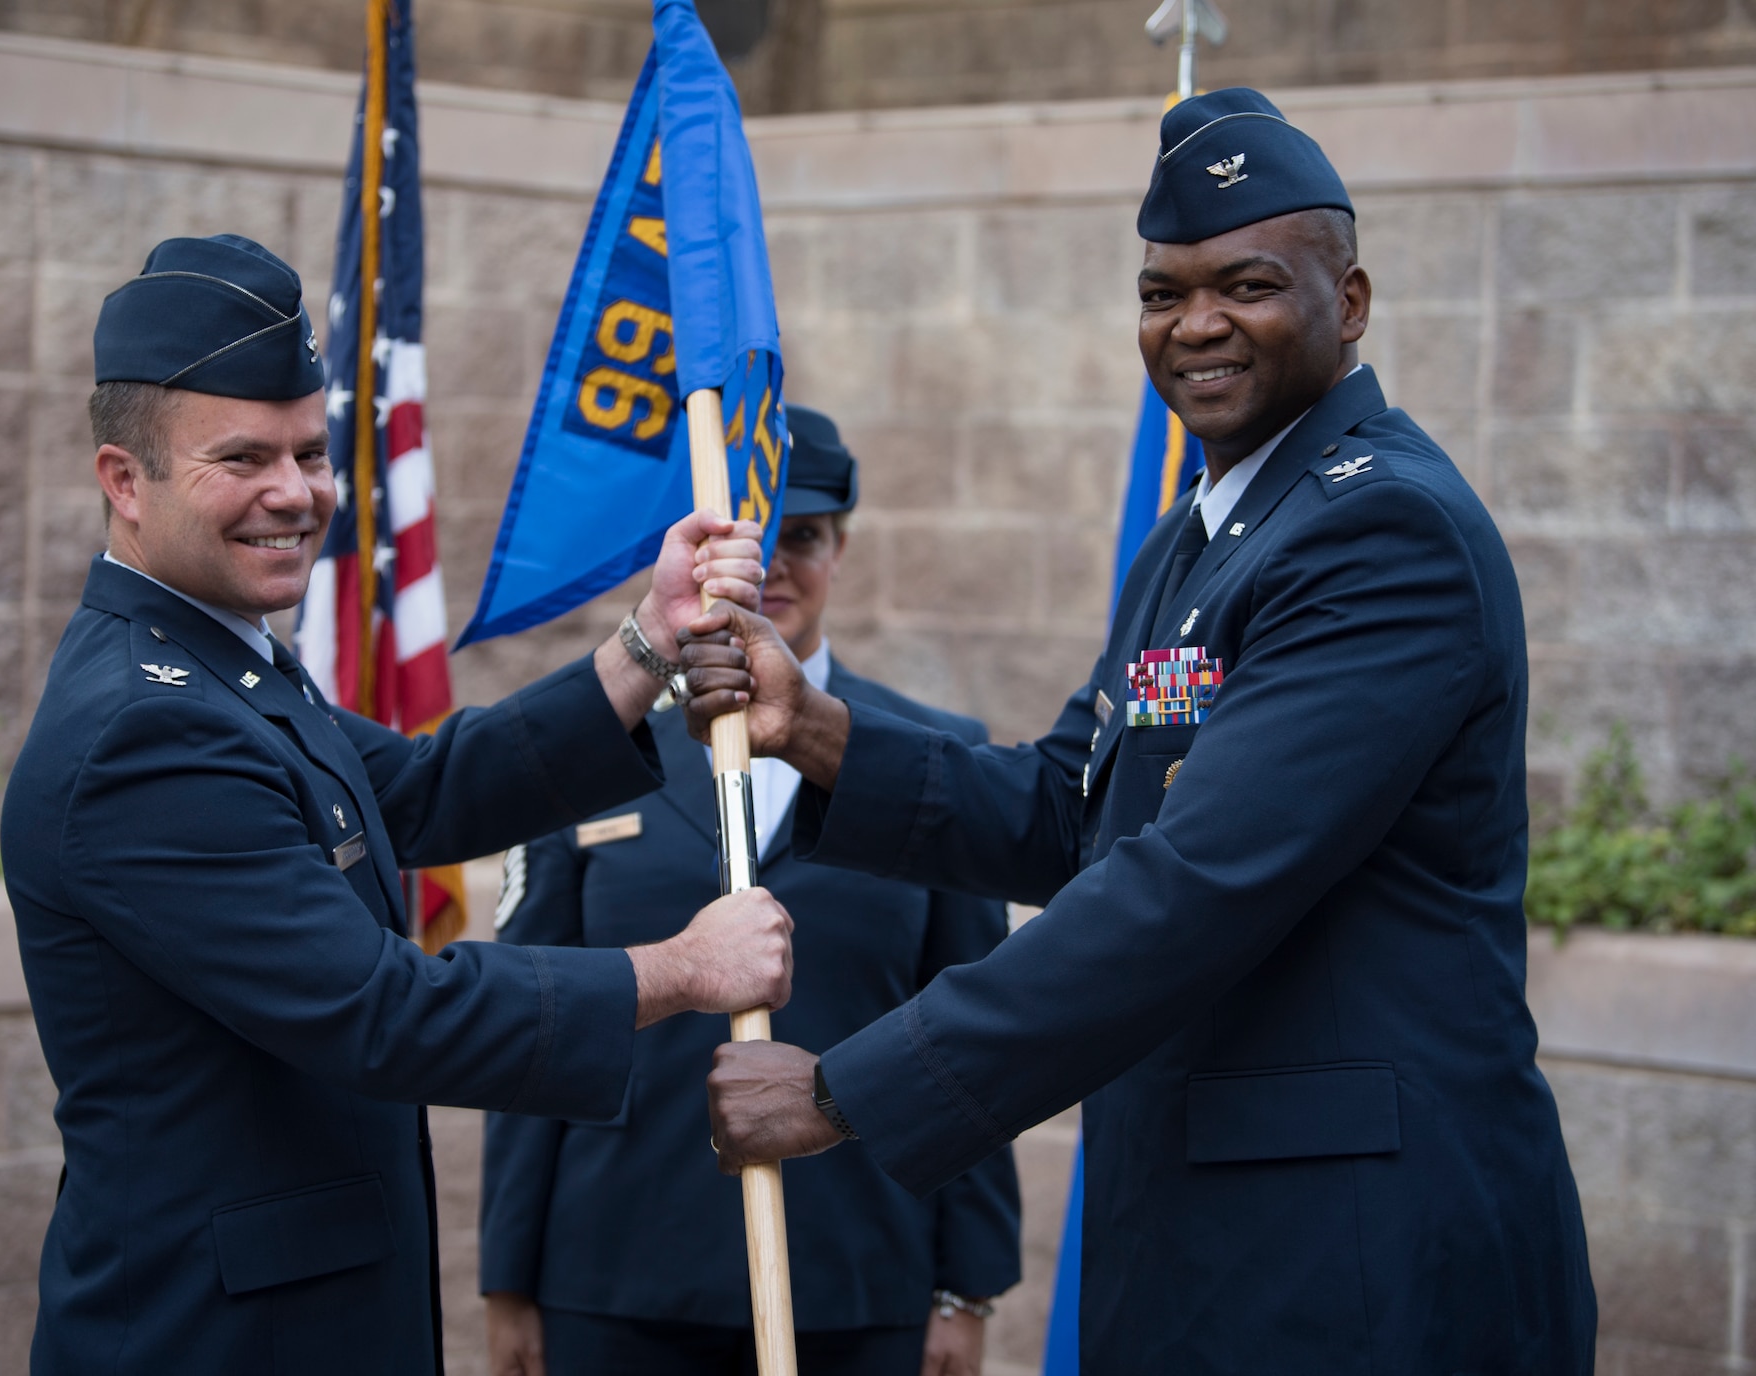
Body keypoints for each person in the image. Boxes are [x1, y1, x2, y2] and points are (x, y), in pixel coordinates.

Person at [680, 90, 1597, 1374]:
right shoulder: (1198, 535)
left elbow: (1192, 882)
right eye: (1161, 293)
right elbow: (1076, 810)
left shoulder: (1380, 535)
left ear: (1350, 302)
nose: (1194, 325)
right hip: (1205, 1228)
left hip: (1355, 1255)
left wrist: (843, 1091)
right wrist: (818, 730)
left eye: (1245, 284)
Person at [1, 233, 795, 1376]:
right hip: (214, 1338)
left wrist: (646, 642)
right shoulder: (147, 728)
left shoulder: (226, 665)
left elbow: (419, 791)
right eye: (242, 459)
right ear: (125, 481)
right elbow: (382, 1008)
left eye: (309, 453)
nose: (295, 494)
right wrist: (679, 967)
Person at [479, 408, 1021, 1376]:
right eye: (751, 542)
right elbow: (538, 1031)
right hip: (615, 1276)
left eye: (804, 537)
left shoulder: (934, 760)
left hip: (856, 1274)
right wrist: (508, 1279)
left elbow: (971, 1028)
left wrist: (963, 1285)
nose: (776, 567)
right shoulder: (584, 755)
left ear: (840, 548)